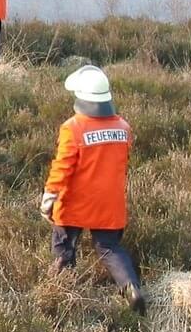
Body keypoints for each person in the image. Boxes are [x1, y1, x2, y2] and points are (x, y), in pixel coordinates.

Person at [40, 64, 144, 312]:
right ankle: (131, 289)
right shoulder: (123, 128)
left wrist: (49, 196)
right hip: (110, 203)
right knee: (109, 248)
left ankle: (63, 296)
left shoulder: (73, 128)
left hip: (74, 201)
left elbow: (62, 167)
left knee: (64, 247)